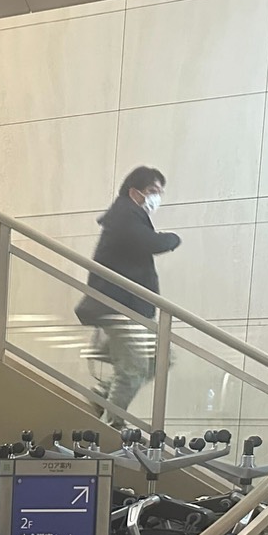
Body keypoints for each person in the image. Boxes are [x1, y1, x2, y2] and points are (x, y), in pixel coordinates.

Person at [76, 166, 182, 418]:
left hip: (131, 308)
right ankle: (111, 426)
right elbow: (151, 243)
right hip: (120, 309)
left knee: (160, 359)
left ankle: (102, 393)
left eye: (160, 192)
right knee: (133, 371)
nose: (157, 197)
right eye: (152, 190)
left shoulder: (130, 216)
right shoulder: (124, 215)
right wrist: (173, 238)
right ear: (135, 192)